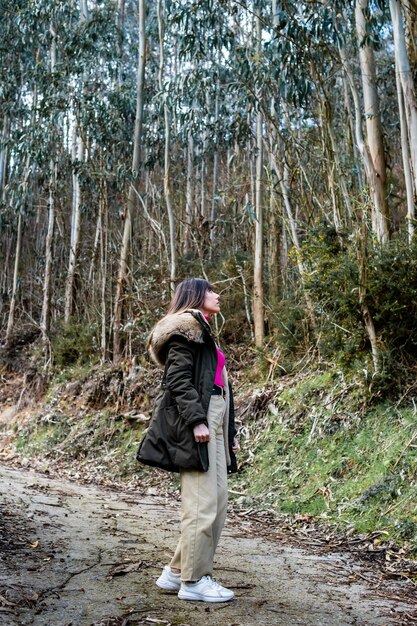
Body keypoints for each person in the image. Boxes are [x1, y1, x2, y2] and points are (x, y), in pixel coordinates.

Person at [137, 277, 238, 603]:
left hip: (215, 417)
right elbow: (178, 380)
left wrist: (228, 432)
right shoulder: (184, 330)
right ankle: (194, 581)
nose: (217, 295)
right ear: (195, 295)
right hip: (200, 417)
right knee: (201, 504)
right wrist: (196, 421)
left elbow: (216, 383)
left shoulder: (203, 332)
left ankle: (177, 572)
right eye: (211, 290)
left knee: (217, 501)